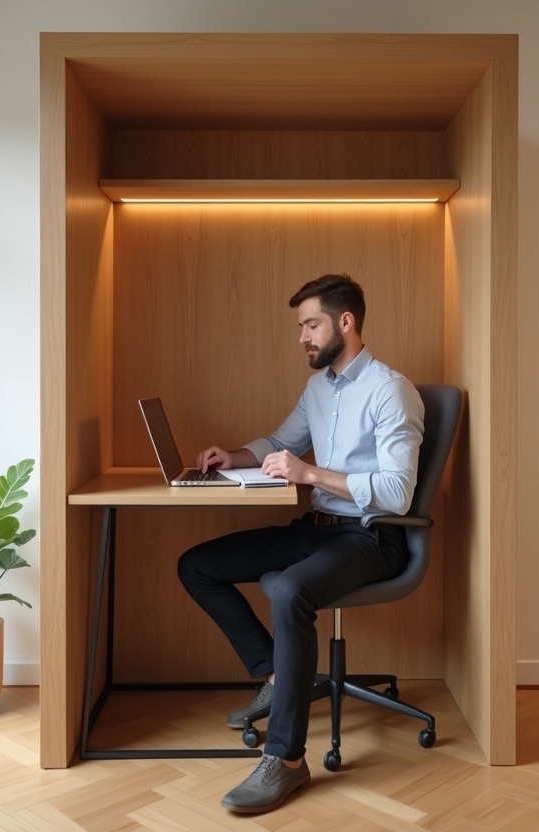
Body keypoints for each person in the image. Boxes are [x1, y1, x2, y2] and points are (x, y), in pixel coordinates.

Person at [177, 273, 424, 814]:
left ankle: (287, 760)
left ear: (345, 322)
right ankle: (276, 675)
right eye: (300, 327)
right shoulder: (318, 389)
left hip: (372, 536)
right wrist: (234, 456)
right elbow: (282, 442)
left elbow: (397, 493)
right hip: (315, 530)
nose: (302, 337)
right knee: (198, 566)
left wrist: (310, 474)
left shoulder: (390, 390)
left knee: (289, 591)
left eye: (310, 324)